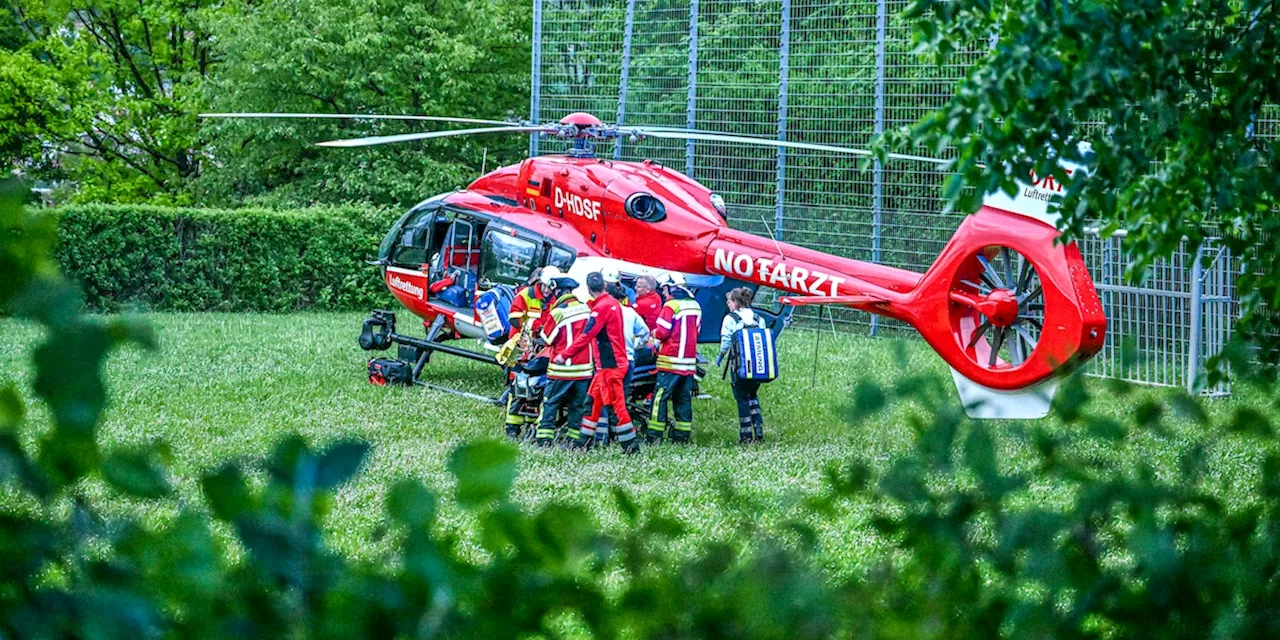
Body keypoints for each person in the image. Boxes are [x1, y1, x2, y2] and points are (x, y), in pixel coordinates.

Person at [556, 272, 639, 453]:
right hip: (608, 366)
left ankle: (631, 448)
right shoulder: (611, 304)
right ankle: (581, 444)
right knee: (592, 402)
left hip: (610, 366)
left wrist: (564, 355)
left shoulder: (602, 308)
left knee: (616, 407)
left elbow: (586, 336)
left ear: (588, 288)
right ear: (604, 285)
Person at [535, 273, 594, 447]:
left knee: (551, 403)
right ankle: (574, 440)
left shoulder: (558, 312)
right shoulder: (586, 309)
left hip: (561, 369)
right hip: (584, 370)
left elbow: (547, 339)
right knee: (577, 406)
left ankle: (544, 439)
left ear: (558, 291)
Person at [649, 273, 702, 444]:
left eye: (664, 289)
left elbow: (662, 332)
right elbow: (697, 332)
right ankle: (681, 437)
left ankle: (654, 436)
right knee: (683, 399)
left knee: (660, 398)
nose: (663, 293)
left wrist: (652, 335)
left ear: (672, 288)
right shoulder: (695, 305)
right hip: (688, 363)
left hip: (670, 362)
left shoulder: (671, 306)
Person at [601, 276, 652, 444]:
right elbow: (645, 333)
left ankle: (605, 436)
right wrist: (634, 345)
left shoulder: (604, 311)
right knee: (620, 399)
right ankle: (621, 436)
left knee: (604, 399)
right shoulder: (630, 312)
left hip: (609, 362)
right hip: (628, 361)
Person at [502, 267, 552, 438]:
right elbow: (514, 318)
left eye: (550, 287)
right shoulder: (525, 294)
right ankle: (512, 426)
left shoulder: (554, 299)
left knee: (537, 386)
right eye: (544, 286)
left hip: (540, 349)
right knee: (517, 385)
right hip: (521, 347)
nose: (546, 290)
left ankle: (532, 421)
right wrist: (535, 328)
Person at [716, 287, 767, 444]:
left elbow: (726, 342)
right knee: (753, 396)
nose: (728, 304)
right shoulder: (758, 318)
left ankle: (745, 436)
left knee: (742, 398)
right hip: (758, 366)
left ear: (736, 302)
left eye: (729, 301)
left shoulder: (731, 318)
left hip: (740, 366)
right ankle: (758, 430)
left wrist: (720, 356)